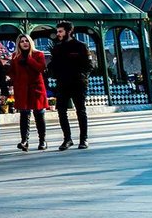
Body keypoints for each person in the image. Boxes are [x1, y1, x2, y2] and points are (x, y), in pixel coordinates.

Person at [48, 20, 91, 150]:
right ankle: (67, 139)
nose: (58, 34)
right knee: (61, 111)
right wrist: (53, 72)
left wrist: (83, 76)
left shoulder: (81, 46)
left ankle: (84, 139)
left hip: (78, 83)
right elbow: (53, 65)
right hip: (62, 83)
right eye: (57, 31)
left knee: (81, 111)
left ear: (69, 31)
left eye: (60, 31)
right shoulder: (57, 48)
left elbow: (89, 65)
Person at [9, 34, 48, 151]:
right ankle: (24, 141)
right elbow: (12, 72)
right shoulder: (15, 56)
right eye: (22, 41)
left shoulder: (38, 54)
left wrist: (29, 60)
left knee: (39, 114)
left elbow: (41, 68)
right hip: (22, 89)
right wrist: (15, 80)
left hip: (36, 88)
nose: (24, 43)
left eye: (26, 41)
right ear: (18, 44)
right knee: (24, 115)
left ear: (30, 42)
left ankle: (42, 140)